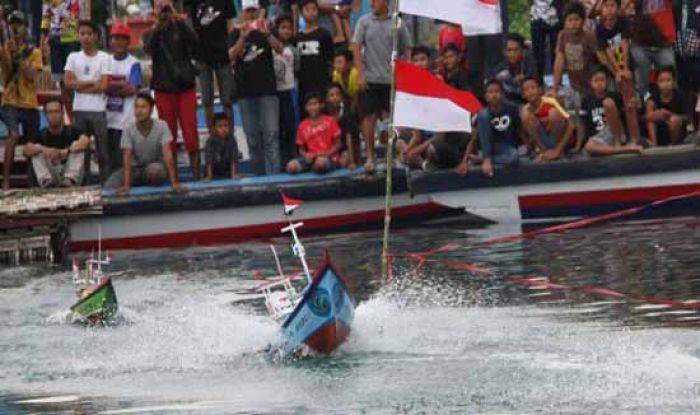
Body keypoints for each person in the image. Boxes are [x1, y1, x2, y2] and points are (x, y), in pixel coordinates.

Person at [352, 0, 411, 173]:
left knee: (388, 122)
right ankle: (370, 156)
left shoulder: (397, 22)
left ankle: (390, 157)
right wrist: (361, 74)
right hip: (370, 80)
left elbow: (406, 48)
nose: (372, 3)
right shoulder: (364, 21)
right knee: (368, 119)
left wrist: (404, 73)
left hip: (390, 80)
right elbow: (356, 47)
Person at [144, 0, 201, 180]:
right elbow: (149, 49)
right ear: (153, 10)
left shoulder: (181, 25)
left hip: (185, 87)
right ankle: (173, 178)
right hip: (163, 89)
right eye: (159, 6)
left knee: (191, 134)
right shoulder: (150, 32)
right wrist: (158, 26)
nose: (163, 9)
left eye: (165, 5)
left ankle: (197, 177)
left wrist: (178, 19)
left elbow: (195, 42)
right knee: (168, 137)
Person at [229, 0, 284, 175]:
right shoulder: (235, 32)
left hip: (267, 90)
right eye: (248, 11)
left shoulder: (266, 29)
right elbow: (230, 56)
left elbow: (280, 48)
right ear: (242, 13)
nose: (251, 14)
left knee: (271, 136)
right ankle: (259, 178)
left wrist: (267, 34)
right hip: (245, 92)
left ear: (259, 11)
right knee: (252, 140)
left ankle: (274, 177)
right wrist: (243, 37)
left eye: (253, 11)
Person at [105, 93, 185, 194]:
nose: (139, 111)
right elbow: (127, 157)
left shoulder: (162, 125)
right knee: (110, 184)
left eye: (143, 107)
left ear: (151, 109)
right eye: (136, 107)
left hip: (155, 167)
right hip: (136, 170)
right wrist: (126, 185)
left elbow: (168, 155)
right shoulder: (128, 128)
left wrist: (174, 183)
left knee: (155, 171)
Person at [63, 20, 113, 183]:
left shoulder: (104, 57)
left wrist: (80, 86)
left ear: (96, 37)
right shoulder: (73, 57)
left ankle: (106, 185)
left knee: (103, 151)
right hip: (79, 109)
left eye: (89, 34)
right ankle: (83, 183)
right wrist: (91, 82)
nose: (85, 37)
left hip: (99, 109)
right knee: (81, 150)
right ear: (78, 36)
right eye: (82, 34)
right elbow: (68, 83)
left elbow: (104, 85)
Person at [1, 11, 42, 190]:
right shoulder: (3, 48)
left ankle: (32, 179)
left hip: (30, 103)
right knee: (13, 135)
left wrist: (18, 55)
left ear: (26, 28)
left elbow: (31, 75)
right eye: (13, 25)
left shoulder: (34, 52)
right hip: (10, 101)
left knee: (31, 143)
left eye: (19, 24)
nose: (16, 28)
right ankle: (6, 181)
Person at [595, 0, 640, 143]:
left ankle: (635, 138)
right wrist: (617, 73)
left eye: (612, 6)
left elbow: (625, 44)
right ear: (601, 9)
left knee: (630, 104)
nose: (609, 10)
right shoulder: (599, 28)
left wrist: (625, 69)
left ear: (618, 8)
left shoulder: (623, 21)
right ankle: (618, 138)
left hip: (626, 64)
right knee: (612, 104)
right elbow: (606, 52)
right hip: (610, 69)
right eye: (606, 6)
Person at [190, 0, 236, 134]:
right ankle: (213, 137)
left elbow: (230, 25)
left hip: (222, 53)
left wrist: (229, 47)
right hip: (201, 55)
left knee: (227, 100)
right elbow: (190, 23)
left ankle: (229, 137)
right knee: (206, 100)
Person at [23, 97, 90, 188]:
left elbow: (86, 141)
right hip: (51, 174)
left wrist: (67, 151)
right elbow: (27, 149)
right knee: (36, 149)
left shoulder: (73, 130)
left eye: (57, 111)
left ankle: (70, 180)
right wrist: (45, 150)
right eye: (50, 112)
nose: (54, 115)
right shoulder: (40, 134)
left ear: (62, 113)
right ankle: (46, 181)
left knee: (79, 148)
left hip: (69, 172)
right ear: (45, 114)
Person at [581, 67, 643, 155]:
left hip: (616, 131)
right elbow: (583, 123)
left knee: (608, 103)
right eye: (596, 80)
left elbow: (630, 109)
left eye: (602, 80)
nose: (599, 83)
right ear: (590, 83)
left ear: (607, 82)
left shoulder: (615, 96)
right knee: (589, 147)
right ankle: (625, 150)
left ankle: (617, 144)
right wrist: (579, 144)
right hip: (599, 136)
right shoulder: (586, 100)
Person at [105, 23, 142, 173]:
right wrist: (121, 85)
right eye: (116, 39)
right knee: (109, 160)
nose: (119, 42)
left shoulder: (134, 63)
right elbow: (101, 85)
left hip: (126, 121)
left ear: (128, 41)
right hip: (107, 119)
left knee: (124, 160)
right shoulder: (105, 61)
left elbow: (133, 89)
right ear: (111, 41)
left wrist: (109, 86)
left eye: (122, 39)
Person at [551, 2, 599, 103]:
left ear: (583, 20)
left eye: (576, 19)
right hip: (573, 85)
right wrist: (555, 87)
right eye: (570, 20)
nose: (573, 23)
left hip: (590, 85)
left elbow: (599, 57)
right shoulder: (563, 35)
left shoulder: (588, 37)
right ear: (565, 21)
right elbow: (559, 61)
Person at [472, 80, 521, 177]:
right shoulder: (482, 114)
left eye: (496, 91)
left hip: (506, 146)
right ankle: (486, 158)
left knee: (514, 157)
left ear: (502, 94)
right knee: (483, 115)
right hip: (488, 146)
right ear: (485, 96)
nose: (493, 95)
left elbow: (519, 129)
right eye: (490, 92)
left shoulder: (512, 109)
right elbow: (475, 136)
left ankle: (483, 159)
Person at [41, 0, 80, 119]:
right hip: (54, 40)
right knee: (62, 82)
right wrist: (43, 38)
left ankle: (77, 116)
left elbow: (77, 15)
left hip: (71, 39)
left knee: (72, 80)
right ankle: (71, 118)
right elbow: (46, 15)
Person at [286, 93, 343, 174]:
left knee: (320, 164)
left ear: (321, 105)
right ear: (306, 108)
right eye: (309, 105)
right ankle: (311, 168)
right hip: (311, 158)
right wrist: (306, 155)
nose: (312, 107)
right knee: (290, 167)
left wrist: (326, 153)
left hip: (329, 157)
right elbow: (301, 148)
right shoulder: (302, 125)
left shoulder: (330, 121)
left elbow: (338, 144)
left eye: (315, 104)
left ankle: (315, 168)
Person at [630, 0, 676, 98]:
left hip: (664, 42)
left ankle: (671, 107)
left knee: (669, 81)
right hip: (641, 43)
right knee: (641, 85)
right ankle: (643, 106)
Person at [521, 76, 575, 161]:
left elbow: (571, 125)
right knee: (524, 115)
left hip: (560, 139)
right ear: (523, 95)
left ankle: (557, 150)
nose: (530, 91)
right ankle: (543, 150)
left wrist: (558, 149)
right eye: (526, 90)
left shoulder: (551, 101)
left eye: (532, 88)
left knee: (553, 113)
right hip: (544, 140)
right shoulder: (526, 109)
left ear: (540, 90)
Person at [296, 0, 334, 111]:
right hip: (303, 84)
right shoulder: (298, 37)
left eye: (314, 9)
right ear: (302, 12)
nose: (311, 13)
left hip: (320, 82)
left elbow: (330, 60)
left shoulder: (324, 34)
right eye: (307, 10)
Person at [273, 14, 298, 169]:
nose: (286, 31)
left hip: (289, 91)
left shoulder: (292, 50)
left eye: (289, 28)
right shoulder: (270, 47)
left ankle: (292, 159)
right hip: (274, 93)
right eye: (283, 28)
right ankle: (281, 163)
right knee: (277, 129)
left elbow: (297, 70)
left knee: (290, 127)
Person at [644, 66, 688, 146]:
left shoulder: (680, 95)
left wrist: (670, 115)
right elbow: (645, 118)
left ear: (673, 82)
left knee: (674, 120)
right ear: (657, 83)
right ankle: (654, 146)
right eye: (661, 81)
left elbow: (687, 117)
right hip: (659, 132)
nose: (665, 84)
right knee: (651, 115)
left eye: (668, 80)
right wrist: (657, 114)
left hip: (677, 132)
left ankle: (674, 146)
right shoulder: (653, 97)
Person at [490, 33, 537, 105]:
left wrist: (524, 80)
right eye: (509, 50)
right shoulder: (500, 68)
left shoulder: (530, 65)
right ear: (505, 52)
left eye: (516, 50)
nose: (512, 54)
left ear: (523, 51)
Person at [326, 83, 360, 168]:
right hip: (329, 149)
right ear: (327, 98)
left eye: (338, 95)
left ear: (342, 97)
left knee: (343, 162)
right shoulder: (325, 115)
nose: (335, 98)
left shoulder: (348, 114)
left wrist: (352, 162)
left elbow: (349, 138)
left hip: (346, 148)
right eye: (332, 95)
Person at [204, 113, 239, 180]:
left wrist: (233, 175)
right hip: (213, 174)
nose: (223, 129)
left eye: (226, 125)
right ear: (214, 129)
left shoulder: (232, 140)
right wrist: (209, 177)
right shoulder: (210, 142)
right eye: (220, 126)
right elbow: (209, 160)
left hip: (228, 174)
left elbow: (234, 159)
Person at [530, 0, 560, 79]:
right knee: (538, 52)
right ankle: (539, 81)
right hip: (537, 16)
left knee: (556, 51)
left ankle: (557, 80)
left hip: (554, 16)